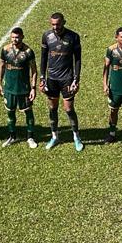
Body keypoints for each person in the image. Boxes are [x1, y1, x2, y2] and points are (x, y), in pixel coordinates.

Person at [40, 12, 83, 151]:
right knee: (52, 108)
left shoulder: (73, 37)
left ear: (64, 22)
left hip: (67, 79)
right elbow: (43, 58)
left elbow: (77, 59)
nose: (55, 27)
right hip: (52, 78)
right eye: (53, 24)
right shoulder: (47, 36)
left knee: (69, 109)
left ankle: (76, 137)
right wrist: (42, 78)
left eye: (58, 24)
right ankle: (54, 136)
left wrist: (76, 79)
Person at [0, 26, 38, 148]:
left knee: (28, 113)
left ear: (22, 37)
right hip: (9, 88)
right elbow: (1, 67)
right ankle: (12, 136)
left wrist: (33, 88)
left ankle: (30, 137)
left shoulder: (28, 52)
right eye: (13, 37)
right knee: (10, 113)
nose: (15, 39)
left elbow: (34, 71)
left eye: (17, 37)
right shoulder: (5, 50)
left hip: (23, 89)